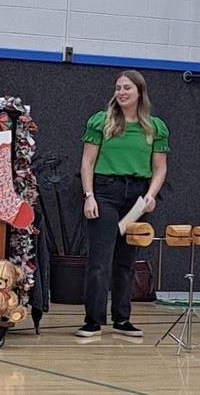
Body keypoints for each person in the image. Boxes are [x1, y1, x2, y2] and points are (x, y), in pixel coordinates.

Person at [78, 70, 168, 338]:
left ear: (139, 92)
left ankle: (122, 319)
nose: (121, 92)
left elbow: (160, 168)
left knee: (126, 261)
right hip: (105, 191)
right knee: (99, 260)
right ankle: (93, 320)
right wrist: (89, 195)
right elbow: (87, 162)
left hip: (137, 196)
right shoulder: (101, 122)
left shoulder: (154, 127)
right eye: (118, 88)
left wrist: (151, 195)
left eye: (127, 88)